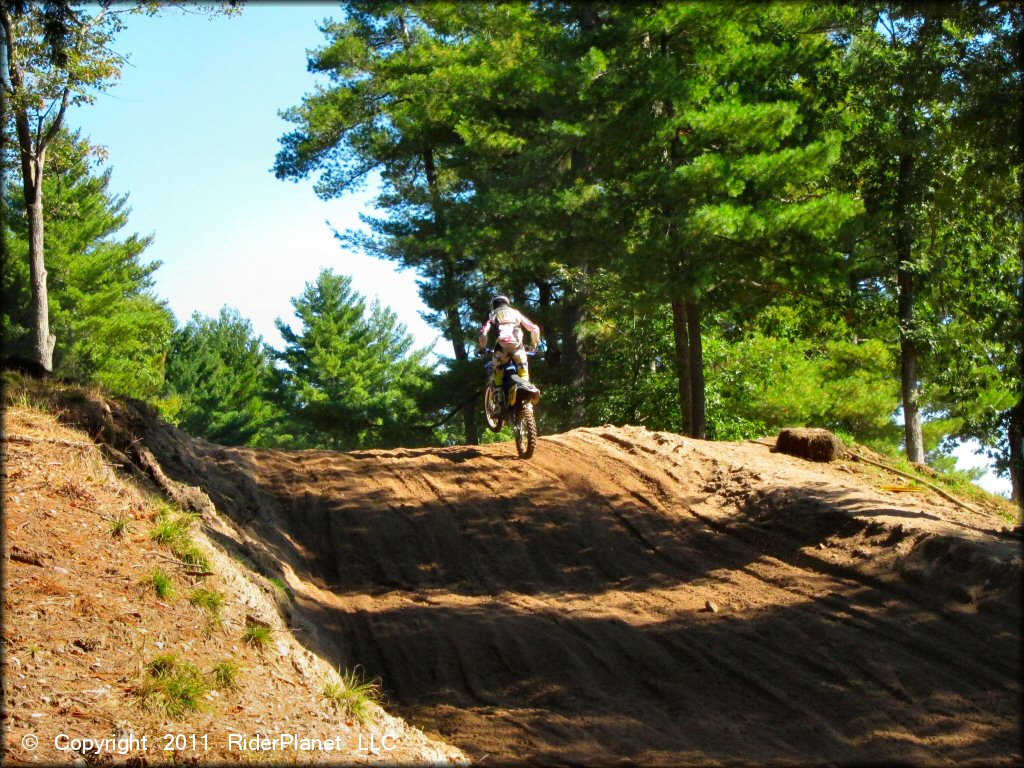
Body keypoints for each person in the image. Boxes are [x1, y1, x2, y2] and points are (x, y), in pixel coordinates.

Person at [478, 295, 542, 391]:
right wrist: (533, 345)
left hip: (502, 349)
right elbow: (535, 329)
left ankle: (499, 396)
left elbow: (483, 333)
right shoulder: (516, 313)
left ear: (494, 305)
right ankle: (527, 394)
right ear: (507, 303)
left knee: (498, 373)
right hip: (518, 348)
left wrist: (482, 348)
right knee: (524, 375)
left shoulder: (492, 314)